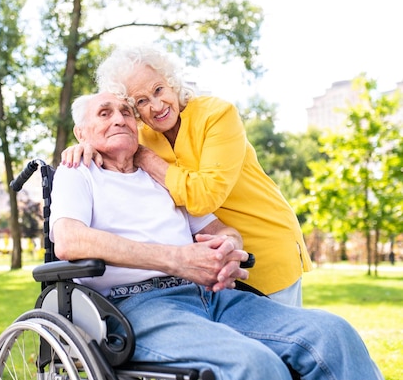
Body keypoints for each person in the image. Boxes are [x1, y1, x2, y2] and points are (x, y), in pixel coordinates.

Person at [50, 92, 383, 380]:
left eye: (126, 112)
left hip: (212, 296)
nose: (120, 119)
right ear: (82, 132)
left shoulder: (158, 173)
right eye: (104, 113)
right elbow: (69, 239)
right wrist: (177, 260)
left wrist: (229, 246)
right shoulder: (78, 173)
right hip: (136, 307)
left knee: (333, 333)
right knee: (253, 365)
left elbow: (219, 229)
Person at [61, 45, 311, 306]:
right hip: (204, 264)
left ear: (171, 82)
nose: (156, 106)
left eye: (158, 90)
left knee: (281, 342)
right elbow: (108, 137)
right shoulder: (143, 136)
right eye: (141, 102)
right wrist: (86, 146)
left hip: (263, 245)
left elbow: (204, 197)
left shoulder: (216, 115)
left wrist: (147, 158)